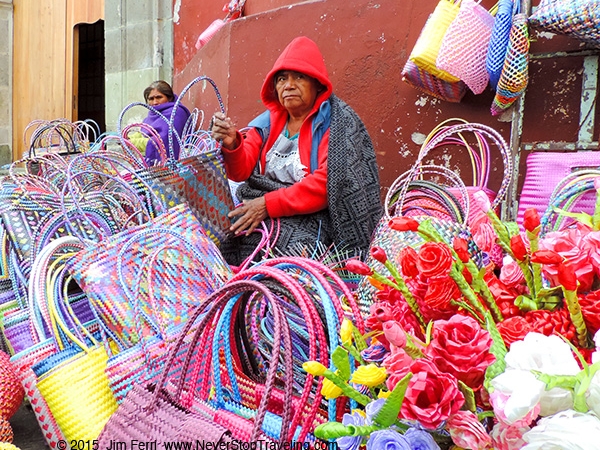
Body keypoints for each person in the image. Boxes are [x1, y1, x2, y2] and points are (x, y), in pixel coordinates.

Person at [211, 36, 382, 265]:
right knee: (224, 239)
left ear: (317, 84)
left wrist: (267, 205)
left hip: (316, 217)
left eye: (299, 77)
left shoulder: (338, 123)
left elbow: (328, 183)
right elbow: (241, 171)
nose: (288, 85)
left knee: (292, 252)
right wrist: (232, 143)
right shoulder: (266, 124)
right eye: (281, 79)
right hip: (261, 206)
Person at [132, 80, 191, 164]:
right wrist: (127, 138)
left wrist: (133, 142)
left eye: (159, 97)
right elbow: (144, 132)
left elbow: (161, 142)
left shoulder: (176, 113)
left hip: (173, 166)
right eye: (151, 99)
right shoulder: (151, 115)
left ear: (169, 98)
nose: (155, 102)